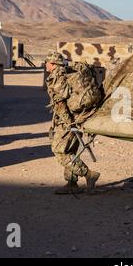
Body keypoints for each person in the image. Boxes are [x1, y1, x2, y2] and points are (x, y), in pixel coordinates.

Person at [45, 52, 100, 195]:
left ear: (52, 64)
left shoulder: (56, 77)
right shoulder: (69, 72)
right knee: (71, 150)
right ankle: (71, 183)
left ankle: (89, 175)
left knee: (59, 150)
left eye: (47, 62)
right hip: (80, 116)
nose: (46, 65)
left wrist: (69, 124)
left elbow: (60, 102)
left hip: (69, 120)